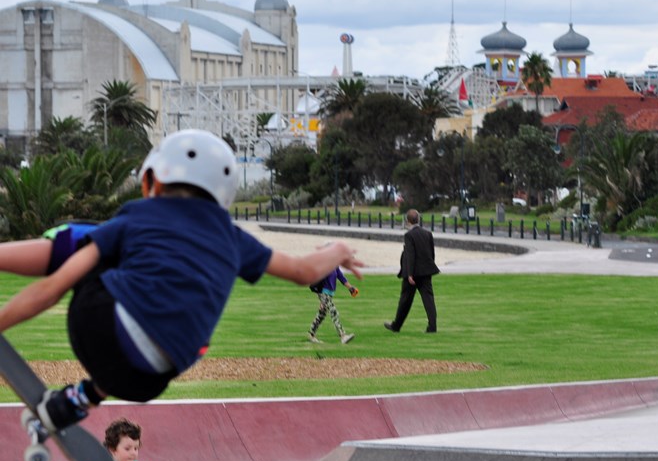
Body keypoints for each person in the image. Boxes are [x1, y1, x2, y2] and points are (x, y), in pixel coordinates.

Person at [0, 129, 363, 432]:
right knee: (167, 319)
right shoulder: (234, 238)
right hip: (150, 379)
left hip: (99, 330)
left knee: (87, 239)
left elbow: (53, 289)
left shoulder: (137, 218)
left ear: (152, 180)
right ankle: (75, 402)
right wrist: (339, 248)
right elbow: (303, 272)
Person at [384, 209, 439, 333]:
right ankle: (432, 326)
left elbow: (410, 255)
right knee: (428, 299)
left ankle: (396, 326)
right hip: (426, 271)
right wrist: (429, 269)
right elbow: (431, 253)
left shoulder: (409, 235)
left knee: (405, 300)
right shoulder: (428, 233)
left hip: (412, 273)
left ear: (407, 221)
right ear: (418, 219)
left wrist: (409, 274)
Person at [308, 265, 359, 344]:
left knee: (322, 314)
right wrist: (321, 300)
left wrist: (350, 287)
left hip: (329, 293)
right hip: (324, 293)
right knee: (334, 312)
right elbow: (317, 281)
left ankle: (311, 335)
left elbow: (340, 276)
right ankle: (343, 336)